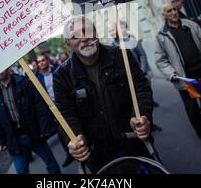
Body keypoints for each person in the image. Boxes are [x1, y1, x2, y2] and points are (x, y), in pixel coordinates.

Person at [54, 16, 154, 173]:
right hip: (99, 155)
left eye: (87, 30)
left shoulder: (122, 56)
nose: (84, 38)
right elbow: (66, 115)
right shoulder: (62, 76)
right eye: (75, 36)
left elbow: (141, 88)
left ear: (96, 32)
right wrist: (74, 139)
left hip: (135, 143)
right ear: (68, 44)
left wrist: (142, 115)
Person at [155, 2, 201, 148]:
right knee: (192, 107)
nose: (174, 12)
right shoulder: (162, 35)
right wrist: (171, 74)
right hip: (184, 78)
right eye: (169, 11)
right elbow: (160, 60)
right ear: (164, 15)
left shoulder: (190, 25)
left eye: (175, 9)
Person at [0, 67, 61, 174]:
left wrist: (43, 128)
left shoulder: (24, 83)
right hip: (14, 138)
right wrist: (2, 140)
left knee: (50, 162)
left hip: (33, 132)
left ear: (8, 68)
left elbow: (40, 106)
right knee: (21, 170)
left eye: (0, 68)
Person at [37, 54, 74, 168]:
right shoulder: (38, 79)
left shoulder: (57, 70)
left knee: (72, 123)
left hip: (65, 101)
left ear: (47, 61)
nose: (41, 63)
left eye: (43, 60)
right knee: (60, 132)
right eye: (39, 62)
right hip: (52, 108)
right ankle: (69, 153)